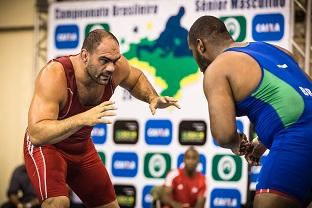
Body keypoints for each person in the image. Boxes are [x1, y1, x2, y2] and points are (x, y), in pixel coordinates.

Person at [23, 29, 180, 208]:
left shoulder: (115, 68)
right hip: (48, 147)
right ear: (84, 56)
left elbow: (135, 78)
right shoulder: (56, 74)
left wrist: (152, 97)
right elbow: (36, 134)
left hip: (81, 148)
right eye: (104, 61)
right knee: (58, 203)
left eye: (115, 61)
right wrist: (81, 119)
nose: (111, 68)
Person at [187, 15, 312, 208]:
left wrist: (237, 143)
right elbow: (302, 101)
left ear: (200, 46)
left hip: (296, 142)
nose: (195, 60)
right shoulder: (277, 50)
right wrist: (262, 141)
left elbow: (224, 135)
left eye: (192, 52)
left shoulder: (217, 69)